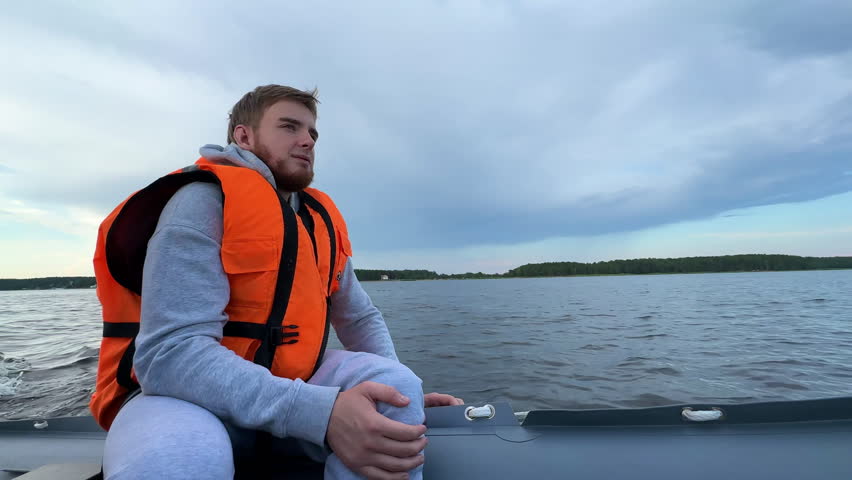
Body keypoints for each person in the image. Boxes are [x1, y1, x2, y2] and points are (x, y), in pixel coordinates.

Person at [89, 85, 462, 480]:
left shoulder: (316, 219)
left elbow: (359, 317)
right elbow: (169, 356)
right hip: (181, 397)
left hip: (289, 381)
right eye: (289, 127)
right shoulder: (200, 203)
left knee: (395, 384)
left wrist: (407, 400)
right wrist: (319, 412)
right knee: (180, 458)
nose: (307, 140)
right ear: (244, 136)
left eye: (313, 133)